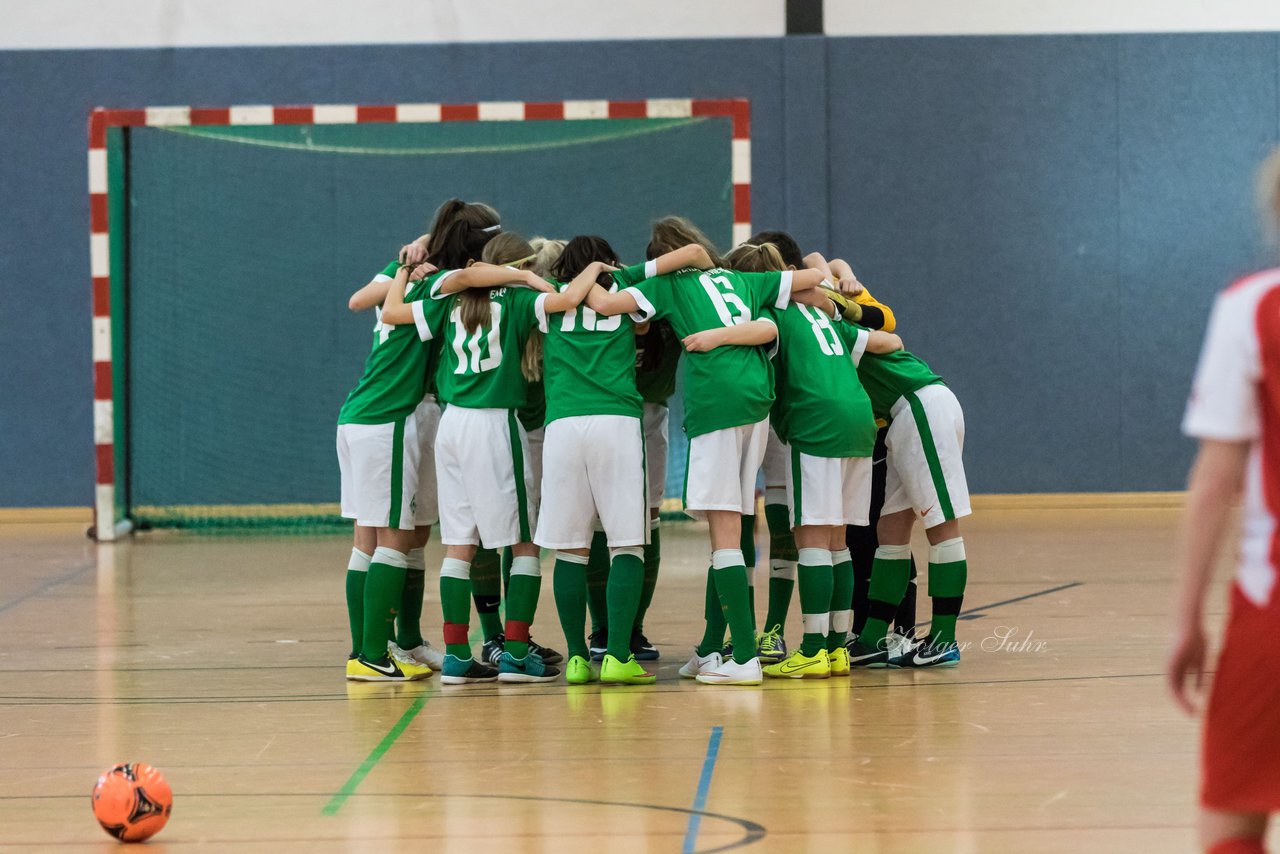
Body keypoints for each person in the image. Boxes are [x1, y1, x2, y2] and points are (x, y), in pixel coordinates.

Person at [584, 216, 828, 685]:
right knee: (735, 523)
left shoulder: (667, 285)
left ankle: (744, 657)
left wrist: (622, 271)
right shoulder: (741, 278)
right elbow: (815, 276)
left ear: (661, 256)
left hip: (716, 401)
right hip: (758, 400)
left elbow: (603, 303)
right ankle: (714, 648)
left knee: (723, 532)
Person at [380, 213, 599, 685]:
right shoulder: (521, 296)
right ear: (516, 264)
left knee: (459, 546)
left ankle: (458, 654)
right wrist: (588, 270)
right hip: (496, 424)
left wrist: (401, 272)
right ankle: (516, 653)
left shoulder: (448, 296)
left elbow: (391, 312)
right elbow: (568, 299)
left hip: (452, 425)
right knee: (524, 544)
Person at [1168, 148, 1280, 854]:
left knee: (1232, 823)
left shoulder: (1253, 305)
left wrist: (1188, 621)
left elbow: (1216, 481)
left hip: (1271, 610)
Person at [724, 243, 901, 679]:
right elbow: (889, 341)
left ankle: (813, 648)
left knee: (811, 540)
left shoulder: (774, 315)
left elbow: (758, 335)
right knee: (837, 539)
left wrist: (716, 336)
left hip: (816, 422)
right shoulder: (822, 316)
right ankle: (837, 649)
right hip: (862, 422)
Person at [536, 236, 654, 685]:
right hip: (615, 421)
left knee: (570, 548)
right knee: (627, 543)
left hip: (563, 425)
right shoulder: (623, 290)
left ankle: (577, 658)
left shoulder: (546, 299)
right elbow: (645, 322)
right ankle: (618, 655)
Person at [337, 257, 441, 682]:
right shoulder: (437, 287)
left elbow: (360, 299)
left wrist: (403, 265)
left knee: (384, 535)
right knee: (391, 537)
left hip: (364, 413)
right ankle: (370, 653)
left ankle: (383, 644)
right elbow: (358, 300)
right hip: (391, 416)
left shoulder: (401, 278)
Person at [844, 329, 971, 668]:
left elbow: (891, 336)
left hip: (921, 405)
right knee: (890, 530)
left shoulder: (833, 323)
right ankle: (871, 640)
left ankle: (944, 638)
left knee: (941, 523)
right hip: (900, 420)